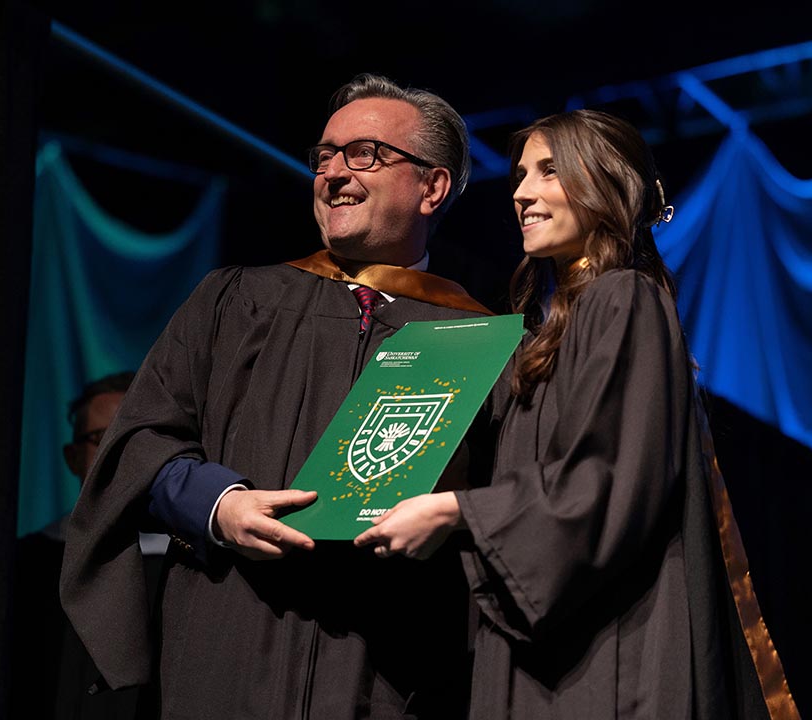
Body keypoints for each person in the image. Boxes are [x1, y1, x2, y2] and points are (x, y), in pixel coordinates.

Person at [60, 74, 492, 719]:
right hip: (226, 644)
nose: (334, 174)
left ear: (432, 187)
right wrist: (217, 505)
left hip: (390, 668)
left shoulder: (478, 339)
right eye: (324, 156)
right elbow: (139, 442)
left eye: (365, 153)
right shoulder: (234, 302)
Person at [355, 110, 801, 719]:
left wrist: (455, 510)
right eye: (519, 175)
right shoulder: (551, 331)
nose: (519, 192)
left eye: (548, 172)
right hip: (550, 650)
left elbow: (609, 479)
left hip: (606, 659)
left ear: (605, 185)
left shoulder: (625, 298)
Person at [15, 371, 156, 719]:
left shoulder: (183, 565)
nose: (114, 453)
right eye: (99, 438)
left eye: (128, 439)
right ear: (72, 457)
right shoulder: (26, 563)